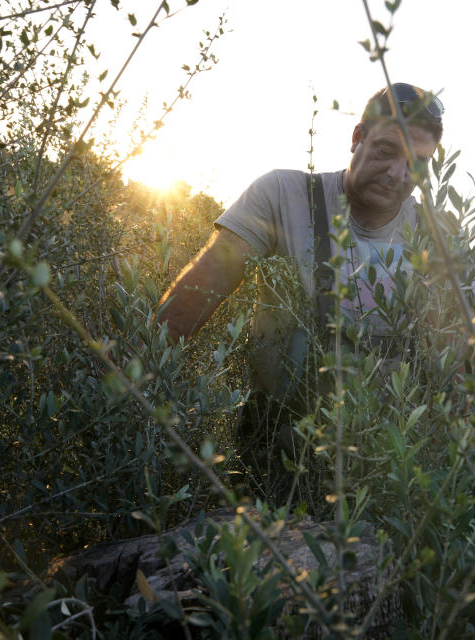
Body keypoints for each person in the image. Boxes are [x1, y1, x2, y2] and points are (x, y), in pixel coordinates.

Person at [155, 83, 445, 467]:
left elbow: (454, 367)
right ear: (357, 138)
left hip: (382, 471)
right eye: (386, 151)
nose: (396, 173)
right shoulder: (281, 195)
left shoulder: (438, 236)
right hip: (272, 457)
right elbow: (185, 311)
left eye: (416, 161)